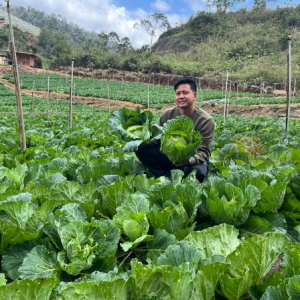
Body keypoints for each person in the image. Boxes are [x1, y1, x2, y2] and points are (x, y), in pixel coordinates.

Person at [135, 78, 215, 182]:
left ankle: (182, 174)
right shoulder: (168, 114)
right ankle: (164, 175)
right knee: (139, 149)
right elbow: (156, 137)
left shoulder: (205, 120)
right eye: (178, 93)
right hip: (169, 156)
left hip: (190, 160)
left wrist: (189, 160)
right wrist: (141, 140)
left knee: (199, 173)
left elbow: (204, 151)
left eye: (185, 93)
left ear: (195, 96)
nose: (181, 96)